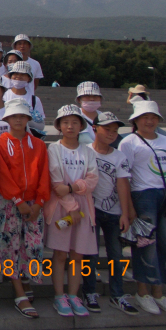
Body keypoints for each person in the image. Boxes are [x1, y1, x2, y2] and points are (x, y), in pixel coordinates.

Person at [0, 98, 50, 319]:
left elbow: (44, 175)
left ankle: (26, 278)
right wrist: (18, 201)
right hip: (9, 203)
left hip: (34, 203)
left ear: (28, 119)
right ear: (7, 119)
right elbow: (2, 176)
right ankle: (19, 292)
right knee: (10, 246)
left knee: (31, 244)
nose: (18, 119)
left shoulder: (39, 145)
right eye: (14, 116)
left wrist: (39, 202)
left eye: (22, 116)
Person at [81, 112, 138, 315]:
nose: (111, 133)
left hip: (114, 212)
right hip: (91, 210)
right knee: (90, 255)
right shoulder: (85, 151)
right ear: (95, 128)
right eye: (107, 129)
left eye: (115, 130)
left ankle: (117, 294)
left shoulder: (119, 156)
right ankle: (89, 292)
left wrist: (125, 212)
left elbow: (123, 184)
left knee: (116, 255)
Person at [44, 104, 98, 317]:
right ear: (59, 126)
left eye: (75, 122)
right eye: (65, 122)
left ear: (81, 126)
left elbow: (92, 179)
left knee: (77, 254)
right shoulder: (54, 149)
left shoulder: (88, 151)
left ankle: (74, 295)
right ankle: (59, 295)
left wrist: (72, 188)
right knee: (60, 254)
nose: (70, 126)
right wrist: (72, 206)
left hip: (85, 208)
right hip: (61, 208)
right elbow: (56, 183)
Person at [118, 100, 166, 314]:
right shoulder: (129, 142)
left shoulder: (164, 139)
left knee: (163, 243)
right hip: (142, 195)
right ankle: (143, 292)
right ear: (135, 120)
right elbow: (123, 176)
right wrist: (128, 207)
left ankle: (159, 292)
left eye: (153, 117)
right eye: (145, 117)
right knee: (146, 245)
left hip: (163, 194)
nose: (149, 121)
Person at [2, 61, 45, 132]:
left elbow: (41, 126)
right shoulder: (3, 96)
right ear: (11, 76)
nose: (18, 76)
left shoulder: (34, 100)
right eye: (16, 73)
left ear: (29, 78)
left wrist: (26, 122)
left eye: (22, 74)